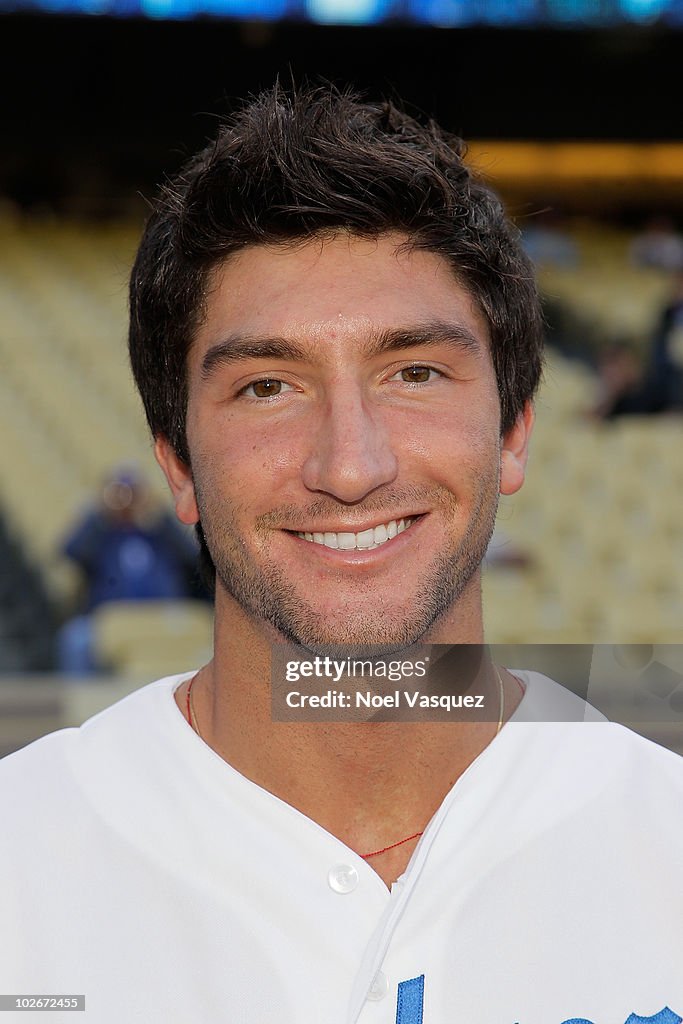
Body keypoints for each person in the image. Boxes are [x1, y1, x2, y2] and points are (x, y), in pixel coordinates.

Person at [1, 85, 682, 1023]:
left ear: (514, 430)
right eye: (268, 386)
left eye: (413, 373)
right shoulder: (19, 866)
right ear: (178, 464)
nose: (350, 466)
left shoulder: (665, 844)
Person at [56, 465, 203, 674]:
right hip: (111, 618)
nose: (126, 500)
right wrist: (101, 513)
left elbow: (192, 558)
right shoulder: (102, 537)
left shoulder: (158, 534)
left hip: (162, 616)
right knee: (76, 640)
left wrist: (159, 514)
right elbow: (71, 552)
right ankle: (84, 705)